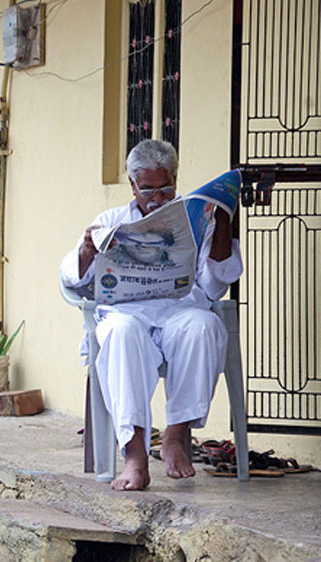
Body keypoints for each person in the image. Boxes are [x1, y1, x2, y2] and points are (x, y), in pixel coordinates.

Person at [59, 139, 243, 491]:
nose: (157, 199)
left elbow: (215, 286)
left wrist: (222, 219)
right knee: (121, 335)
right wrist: (86, 249)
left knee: (203, 326)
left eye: (166, 189)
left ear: (175, 179)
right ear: (132, 185)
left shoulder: (194, 219)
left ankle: (177, 435)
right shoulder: (111, 220)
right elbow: (73, 279)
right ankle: (135, 455)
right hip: (128, 314)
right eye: (148, 191)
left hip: (179, 310)